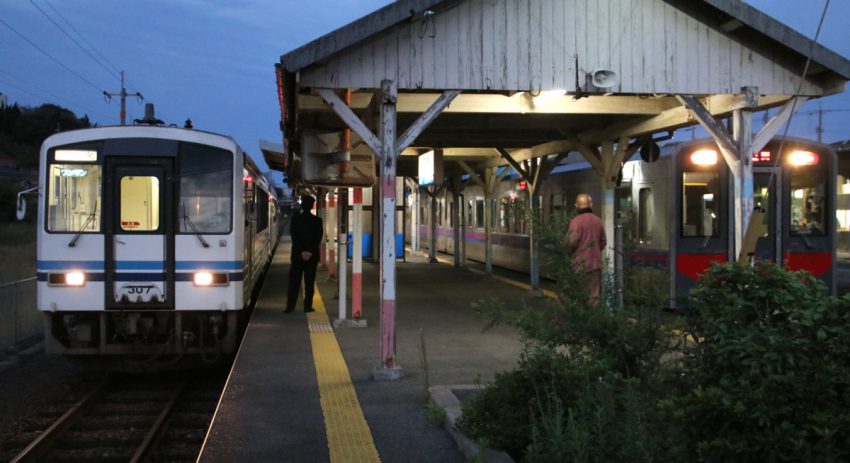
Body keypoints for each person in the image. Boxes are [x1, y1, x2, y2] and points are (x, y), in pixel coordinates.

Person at [566, 193, 607, 304]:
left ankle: (581, 319)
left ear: (576, 205)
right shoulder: (598, 221)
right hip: (595, 265)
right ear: (591, 204)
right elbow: (603, 242)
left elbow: (571, 242)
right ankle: (593, 318)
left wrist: (568, 253)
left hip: (579, 266)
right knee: (594, 297)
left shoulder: (576, 222)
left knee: (579, 296)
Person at [285, 195, 323, 313]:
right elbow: (318, 238)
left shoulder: (295, 220)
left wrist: (302, 251)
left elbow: (294, 237)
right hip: (312, 257)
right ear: (312, 206)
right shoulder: (317, 221)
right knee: (309, 283)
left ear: (302, 206)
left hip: (297, 256)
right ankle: (307, 307)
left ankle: (290, 307)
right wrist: (309, 252)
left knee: (294, 282)